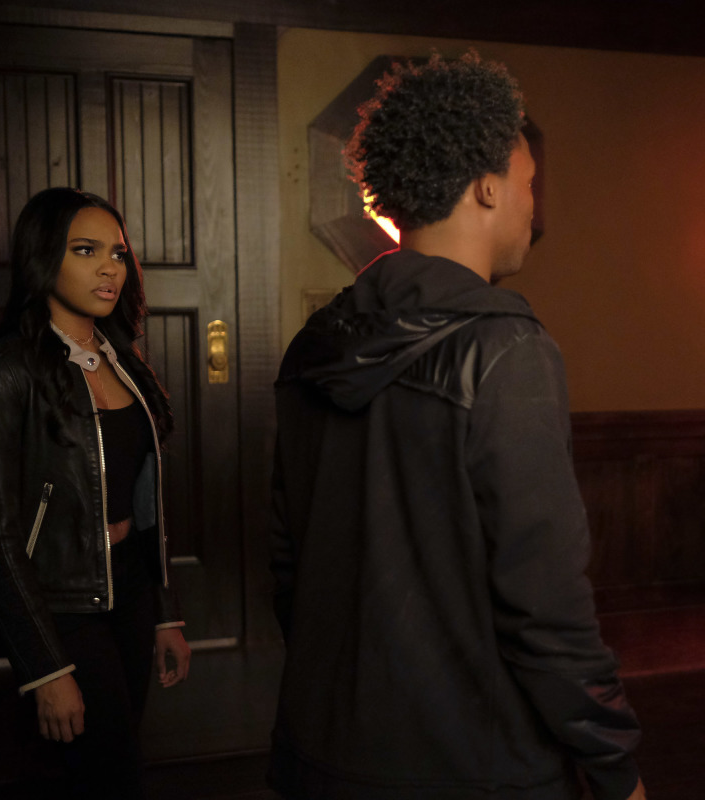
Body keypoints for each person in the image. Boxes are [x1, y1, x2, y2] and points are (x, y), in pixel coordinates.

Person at [268, 52, 645, 800]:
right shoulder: (507, 351)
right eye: (528, 184)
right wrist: (614, 764)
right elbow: (545, 604)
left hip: (322, 753)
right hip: (476, 767)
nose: (533, 207)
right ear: (487, 188)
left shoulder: (312, 345)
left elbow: (290, 565)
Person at [0, 187, 191, 799]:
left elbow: (147, 504)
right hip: (60, 603)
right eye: (85, 250)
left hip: (131, 590)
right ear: (44, 258)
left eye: (118, 252)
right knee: (108, 773)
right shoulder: (6, 371)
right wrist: (44, 665)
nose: (109, 268)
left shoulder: (126, 363)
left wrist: (165, 612)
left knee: (118, 758)